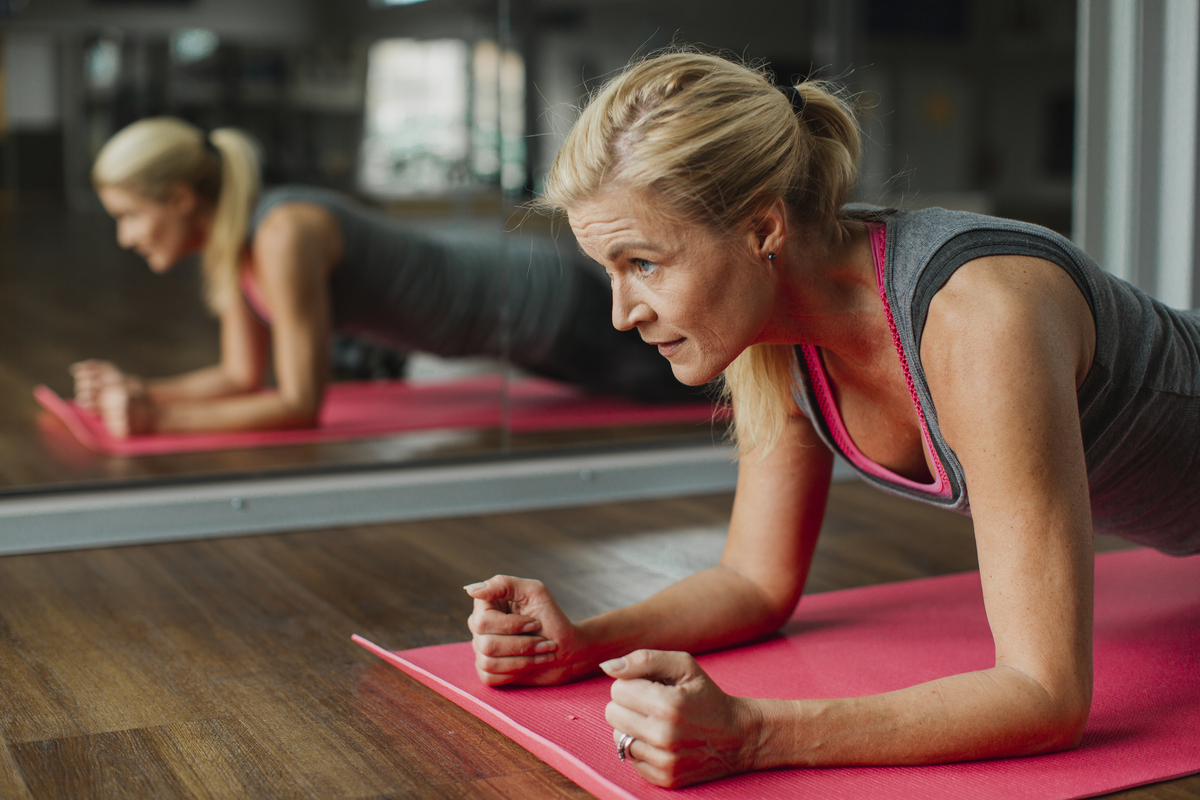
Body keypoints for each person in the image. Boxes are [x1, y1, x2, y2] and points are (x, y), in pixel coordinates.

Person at [464, 51, 1200, 788]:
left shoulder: (978, 316)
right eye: (610, 271)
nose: (623, 315)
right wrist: (581, 643)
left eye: (644, 263)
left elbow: (1046, 696)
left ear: (762, 228)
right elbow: (753, 581)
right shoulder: (778, 341)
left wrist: (750, 735)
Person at [73, 117, 697, 437]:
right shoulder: (238, 248)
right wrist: (141, 392)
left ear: (181, 198)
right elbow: (240, 377)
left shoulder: (283, 233)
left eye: (129, 216)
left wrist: (158, 419)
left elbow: (297, 405)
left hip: (547, 306)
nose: (126, 237)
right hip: (525, 336)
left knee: (718, 395)